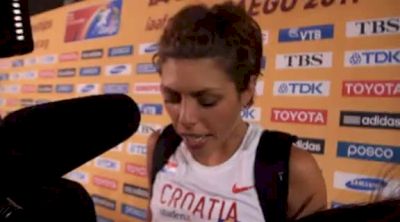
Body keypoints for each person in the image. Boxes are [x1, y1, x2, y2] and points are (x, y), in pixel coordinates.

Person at [146, 2, 327, 221]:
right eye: (172, 97)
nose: (185, 119)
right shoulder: (160, 146)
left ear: (247, 90)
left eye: (207, 100)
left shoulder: (293, 170)